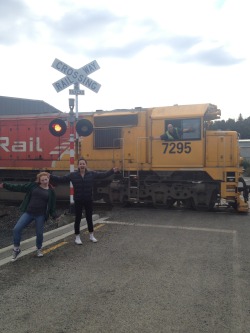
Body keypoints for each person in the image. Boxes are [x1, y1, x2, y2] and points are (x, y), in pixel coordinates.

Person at [49, 157, 119, 245]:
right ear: (78, 165)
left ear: (86, 165)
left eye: (83, 164)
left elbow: (103, 175)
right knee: (77, 218)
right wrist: (50, 176)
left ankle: (91, 235)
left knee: (89, 218)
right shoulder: (72, 175)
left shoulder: (91, 174)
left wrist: (112, 171)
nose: (82, 165)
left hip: (88, 199)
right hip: (78, 200)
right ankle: (77, 237)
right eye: (80, 164)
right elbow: (61, 179)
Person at [0, 172, 58, 261]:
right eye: (42, 180)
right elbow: (19, 187)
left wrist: (54, 215)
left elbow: (52, 206)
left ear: (48, 179)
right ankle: (16, 249)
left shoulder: (51, 191)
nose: (45, 181)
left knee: (39, 234)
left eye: (46, 179)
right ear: (39, 181)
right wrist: (5, 185)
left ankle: (39, 249)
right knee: (16, 229)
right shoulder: (33, 186)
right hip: (29, 213)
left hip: (40, 215)